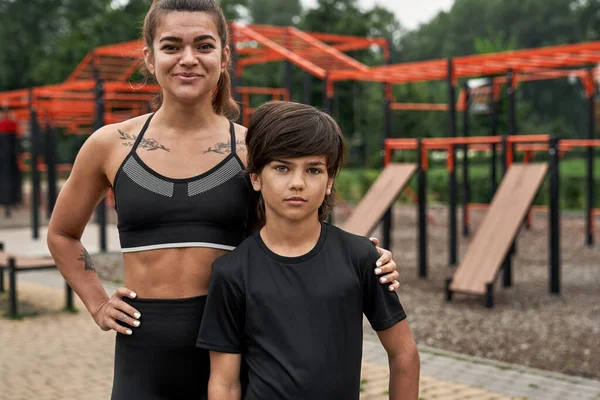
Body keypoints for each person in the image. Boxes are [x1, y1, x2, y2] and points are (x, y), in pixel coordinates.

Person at [46, 0, 401, 399]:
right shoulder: (110, 146)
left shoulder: (253, 150)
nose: (188, 59)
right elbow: (62, 233)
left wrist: (365, 256)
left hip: (243, 346)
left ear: (224, 56)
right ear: (148, 57)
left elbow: (301, 226)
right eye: (171, 46)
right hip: (144, 356)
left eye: (203, 45)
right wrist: (96, 303)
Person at [197, 101, 420, 400]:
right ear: (256, 178)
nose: (298, 183)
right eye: (281, 168)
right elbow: (224, 383)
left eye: (313, 170)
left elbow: (404, 355)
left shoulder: (361, 258)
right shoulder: (232, 272)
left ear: (329, 181)